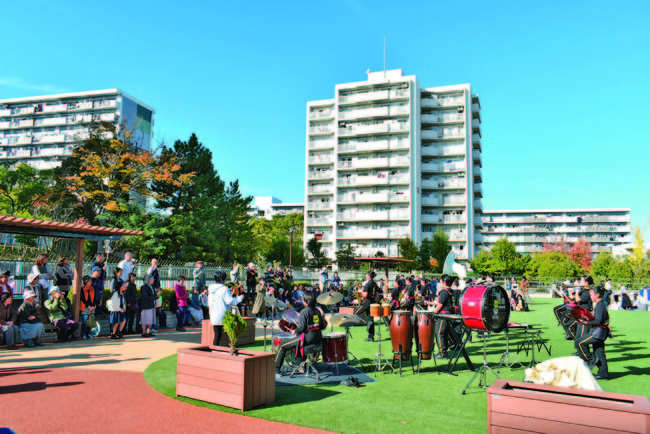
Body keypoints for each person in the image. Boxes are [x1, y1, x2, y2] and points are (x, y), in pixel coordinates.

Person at [274, 290, 327, 378]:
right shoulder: (317, 311)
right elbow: (321, 326)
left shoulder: (304, 312)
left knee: (283, 345)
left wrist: (295, 331)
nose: (302, 301)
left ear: (306, 301)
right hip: (317, 338)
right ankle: (303, 364)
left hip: (307, 338)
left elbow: (302, 328)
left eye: (303, 299)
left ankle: (276, 370)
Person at [575, 285, 610, 380]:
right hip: (599, 332)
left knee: (579, 342)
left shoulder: (600, 305)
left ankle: (591, 360)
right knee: (599, 352)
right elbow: (598, 319)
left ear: (597, 295)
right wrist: (587, 318)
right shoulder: (599, 305)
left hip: (598, 333)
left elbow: (598, 321)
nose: (590, 297)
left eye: (591, 295)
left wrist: (585, 322)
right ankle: (603, 374)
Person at [208, 271, 244, 346]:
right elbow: (229, 301)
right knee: (229, 334)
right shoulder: (224, 289)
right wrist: (239, 298)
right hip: (224, 315)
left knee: (217, 335)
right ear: (222, 279)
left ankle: (215, 352)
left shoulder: (211, 289)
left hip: (214, 315)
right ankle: (231, 351)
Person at [433, 275, 456, 359]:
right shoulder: (451, 291)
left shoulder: (444, 292)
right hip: (450, 314)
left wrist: (433, 312)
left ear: (444, 282)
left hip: (443, 315)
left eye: (441, 281)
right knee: (445, 333)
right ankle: (447, 348)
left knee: (439, 333)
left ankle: (442, 354)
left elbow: (440, 305)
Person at [354, 271, 378, 342]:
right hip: (372, 302)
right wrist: (373, 300)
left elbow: (365, 295)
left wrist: (360, 291)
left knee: (356, 313)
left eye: (367, 275)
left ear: (369, 276)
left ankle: (367, 322)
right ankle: (371, 337)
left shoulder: (368, 284)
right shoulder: (375, 284)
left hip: (367, 302)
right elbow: (377, 294)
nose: (366, 276)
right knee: (371, 319)